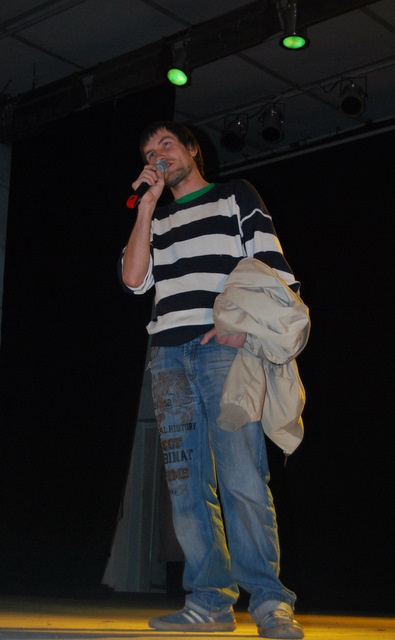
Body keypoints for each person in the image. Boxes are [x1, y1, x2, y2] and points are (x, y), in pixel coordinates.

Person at [117, 121, 305, 639]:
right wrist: (146, 207)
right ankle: (209, 602)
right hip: (167, 357)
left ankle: (269, 601)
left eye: (166, 144)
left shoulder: (234, 195)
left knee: (243, 478)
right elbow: (133, 281)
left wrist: (239, 329)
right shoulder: (154, 217)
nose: (157, 156)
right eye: (148, 151)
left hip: (223, 350)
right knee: (186, 488)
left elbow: (272, 267)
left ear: (192, 149)